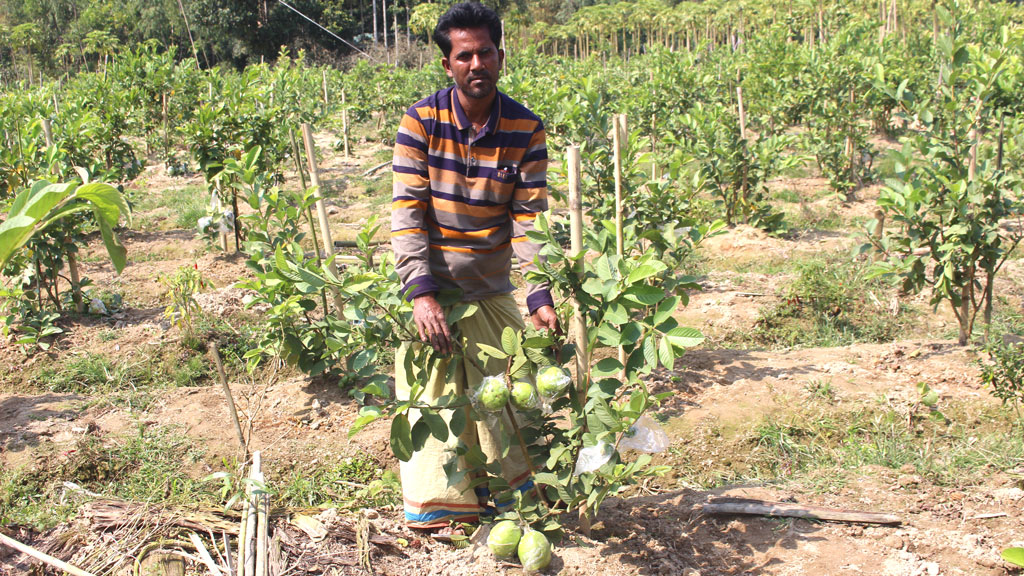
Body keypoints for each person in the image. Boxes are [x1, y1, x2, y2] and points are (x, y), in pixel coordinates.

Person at [390, 1, 558, 531]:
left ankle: (515, 506)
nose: (476, 64)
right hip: (435, 293)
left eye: (485, 52)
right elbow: (407, 213)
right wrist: (421, 293)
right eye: (464, 56)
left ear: (500, 57)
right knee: (433, 406)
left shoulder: (525, 128)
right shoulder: (421, 121)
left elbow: (530, 221)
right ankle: (447, 514)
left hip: (489, 288)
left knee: (505, 400)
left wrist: (539, 295)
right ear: (448, 65)